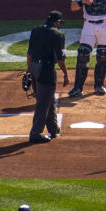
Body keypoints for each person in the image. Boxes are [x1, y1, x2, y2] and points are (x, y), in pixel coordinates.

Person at [25, 10, 69, 144]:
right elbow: (60, 59)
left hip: (34, 67)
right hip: (46, 70)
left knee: (48, 98)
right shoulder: (58, 35)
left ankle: (53, 128)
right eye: (60, 22)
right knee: (43, 103)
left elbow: (29, 53)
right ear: (56, 22)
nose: (60, 25)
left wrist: (29, 70)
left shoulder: (36, 30)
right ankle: (35, 134)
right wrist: (65, 74)